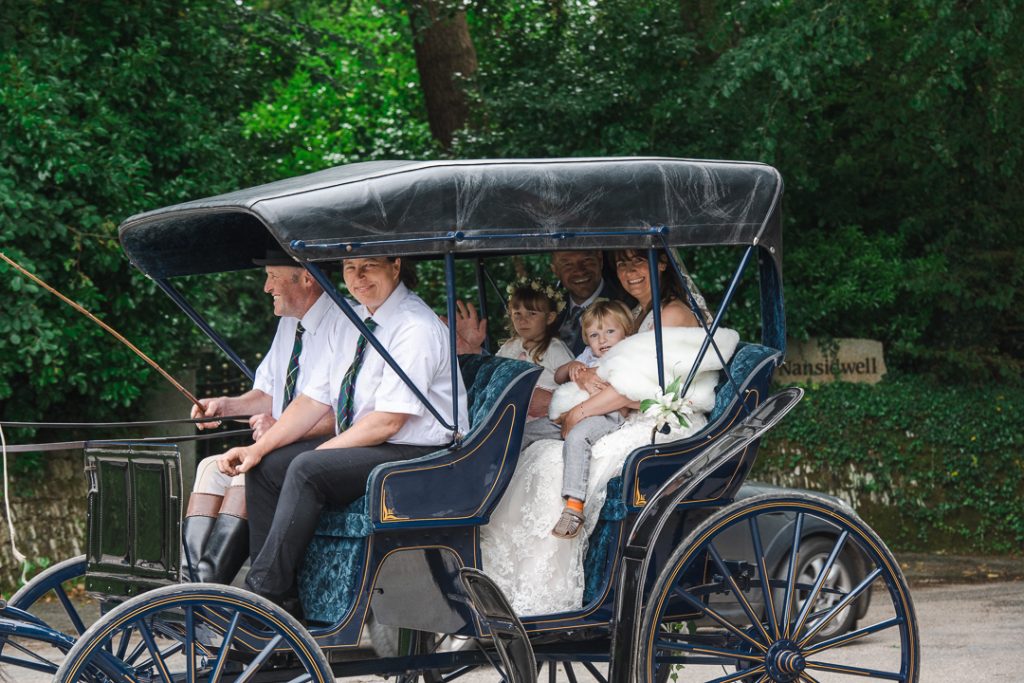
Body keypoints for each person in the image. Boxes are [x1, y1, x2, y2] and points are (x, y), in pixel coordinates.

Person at [216, 256, 468, 612]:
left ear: (395, 266)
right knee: (267, 466)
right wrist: (257, 449)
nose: (358, 278)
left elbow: (388, 422)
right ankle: (285, 603)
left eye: (369, 267)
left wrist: (321, 454)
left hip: (419, 453)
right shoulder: (354, 321)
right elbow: (313, 399)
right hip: (376, 442)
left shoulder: (416, 327)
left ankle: (261, 598)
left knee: (307, 468)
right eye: (350, 268)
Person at [480, 250, 720, 616]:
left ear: (661, 264)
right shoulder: (639, 315)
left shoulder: (670, 314)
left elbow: (638, 386)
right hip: (625, 409)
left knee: (552, 460)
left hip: (654, 421)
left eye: (638, 262)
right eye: (622, 265)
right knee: (536, 448)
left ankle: (562, 556)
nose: (629, 272)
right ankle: (510, 577)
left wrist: (578, 411)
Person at [181, 249, 340, 584]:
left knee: (247, 471)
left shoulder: (344, 323)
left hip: (328, 446)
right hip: (286, 439)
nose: (267, 287)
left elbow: (339, 410)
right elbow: (269, 395)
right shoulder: (288, 326)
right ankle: (191, 582)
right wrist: (224, 406)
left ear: (307, 278)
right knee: (209, 468)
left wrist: (276, 433)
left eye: (273, 276)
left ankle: (211, 588)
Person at [516, 300, 635, 538]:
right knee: (526, 431)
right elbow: (560, 376)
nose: (602, 340)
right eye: (594, 334)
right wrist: (572, 366)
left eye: (610, 331)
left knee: (578, 438)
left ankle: (574, 505)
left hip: (606, 414)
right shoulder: (588, 355)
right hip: (567, 411)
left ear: (626, 332)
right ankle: (500, 481)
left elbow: (629, 392)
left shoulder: (628, 355)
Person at [495, 277, 574, 405]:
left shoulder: (554, 348)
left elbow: (572, 383)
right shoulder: (509, 346)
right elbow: (494, 373)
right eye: (517, 313)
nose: (523, 320)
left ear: (549, 318)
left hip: (545, 414)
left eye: (531, 313)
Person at [549, 250, 632, 355]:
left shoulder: (626, 304)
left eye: (586, 260)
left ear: (600, 260)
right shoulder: (548, 308)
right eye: (568, 264)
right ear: (555, 270)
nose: (579, 271)